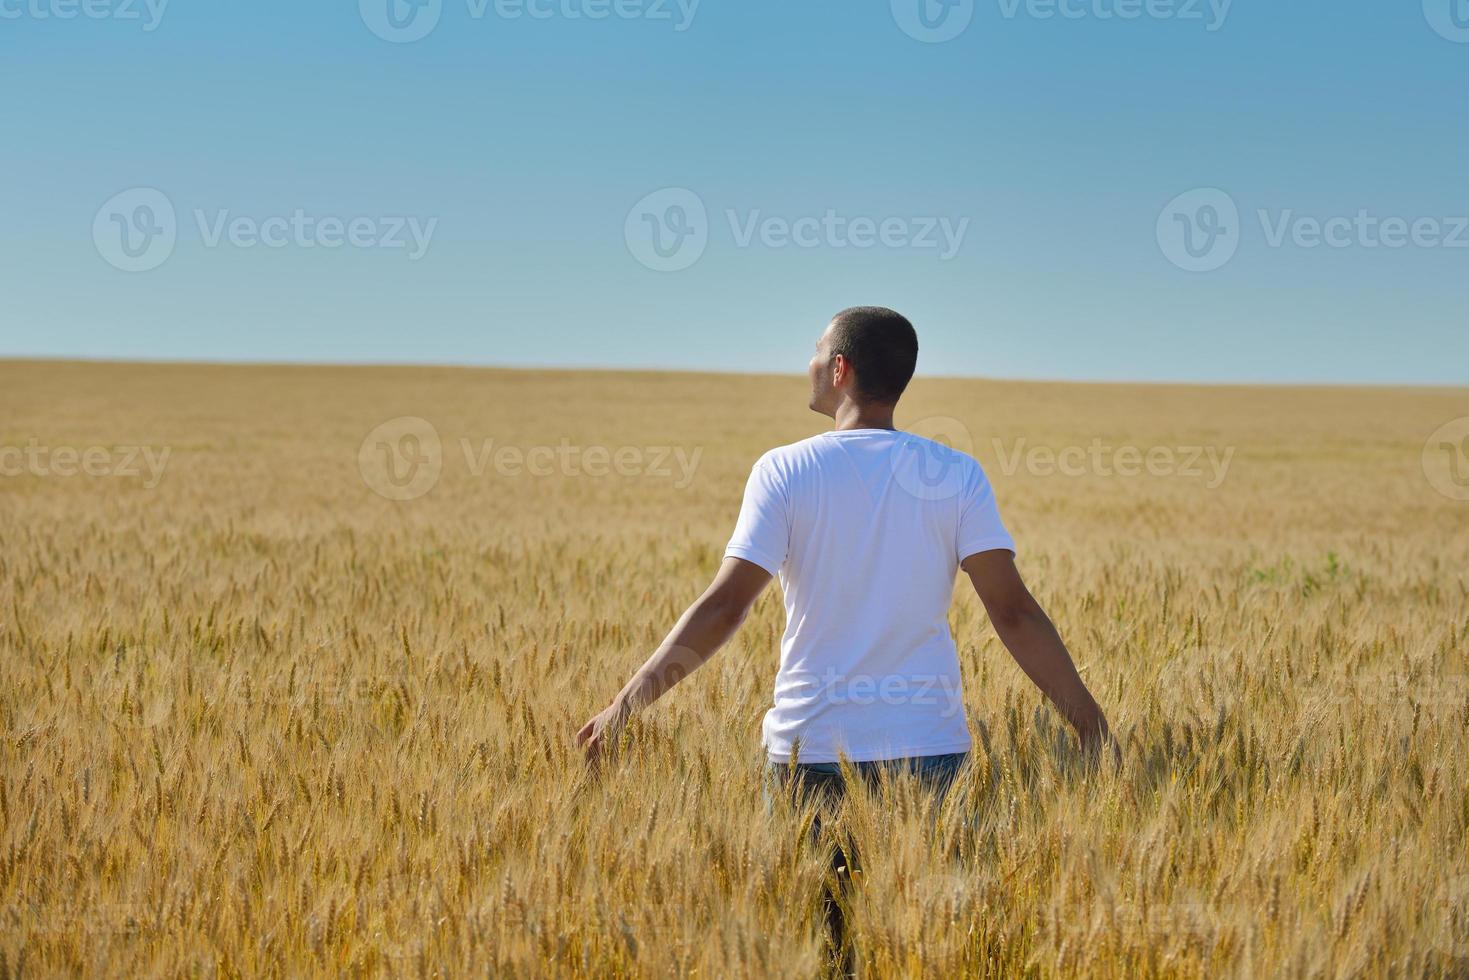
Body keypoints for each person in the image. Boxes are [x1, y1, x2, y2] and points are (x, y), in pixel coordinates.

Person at [576, 306, 1113, 963]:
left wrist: (624, 706)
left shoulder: (784, 471)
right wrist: (1088, 723)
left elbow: (723, 609)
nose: (806, 363)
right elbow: (1014, 614)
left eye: (815, 351)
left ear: (840, 369)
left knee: (826, 954)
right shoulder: (954, 475)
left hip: (812, 756)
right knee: (923, 948)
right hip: (927, 751)